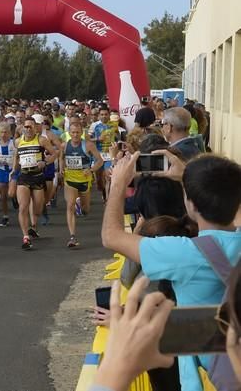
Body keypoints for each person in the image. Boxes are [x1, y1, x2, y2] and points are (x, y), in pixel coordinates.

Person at [102, 151, 241, 391]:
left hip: (220, 373)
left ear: (191, 204)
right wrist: (187, 175)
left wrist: (117, 185)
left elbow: (111, 236)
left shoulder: (183, 253)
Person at [12, 117, 57, 250]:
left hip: (37, 177)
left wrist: (46, 162)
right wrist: (13, 172)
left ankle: (33, 226)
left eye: (31, 126)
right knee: (23, 207)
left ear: (35, 128)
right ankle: (25, 237)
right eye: (26, 126)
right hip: (24, 176)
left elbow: (54, 153)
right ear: (22, 128)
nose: (28, 129)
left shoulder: (41, 140)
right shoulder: (18, 141)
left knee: (37, 208)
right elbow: (16, 156)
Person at [59, 122, 103, 248]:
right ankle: (72, 237)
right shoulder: (64, 145)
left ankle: (82, 207)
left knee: (86, 209)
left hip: (84, 180)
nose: (75, 135)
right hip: (70, 179)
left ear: (82, 132)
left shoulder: (88, 145)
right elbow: (61, 157)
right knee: (70, 205)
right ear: (69, 133)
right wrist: (61, 169)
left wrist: (91, 169)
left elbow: (100, 160)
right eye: (72, 132)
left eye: (78, 132)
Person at [0, 121, 18, 227]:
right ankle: (5, 216)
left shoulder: (14, 143)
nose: (3, 134)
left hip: (13, 171)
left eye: (6, 132)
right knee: (3, 195)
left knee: (12, 193)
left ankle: (15, 198)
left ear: (9, 133)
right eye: (1, 132)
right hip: (1, 170)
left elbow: (18, 156)